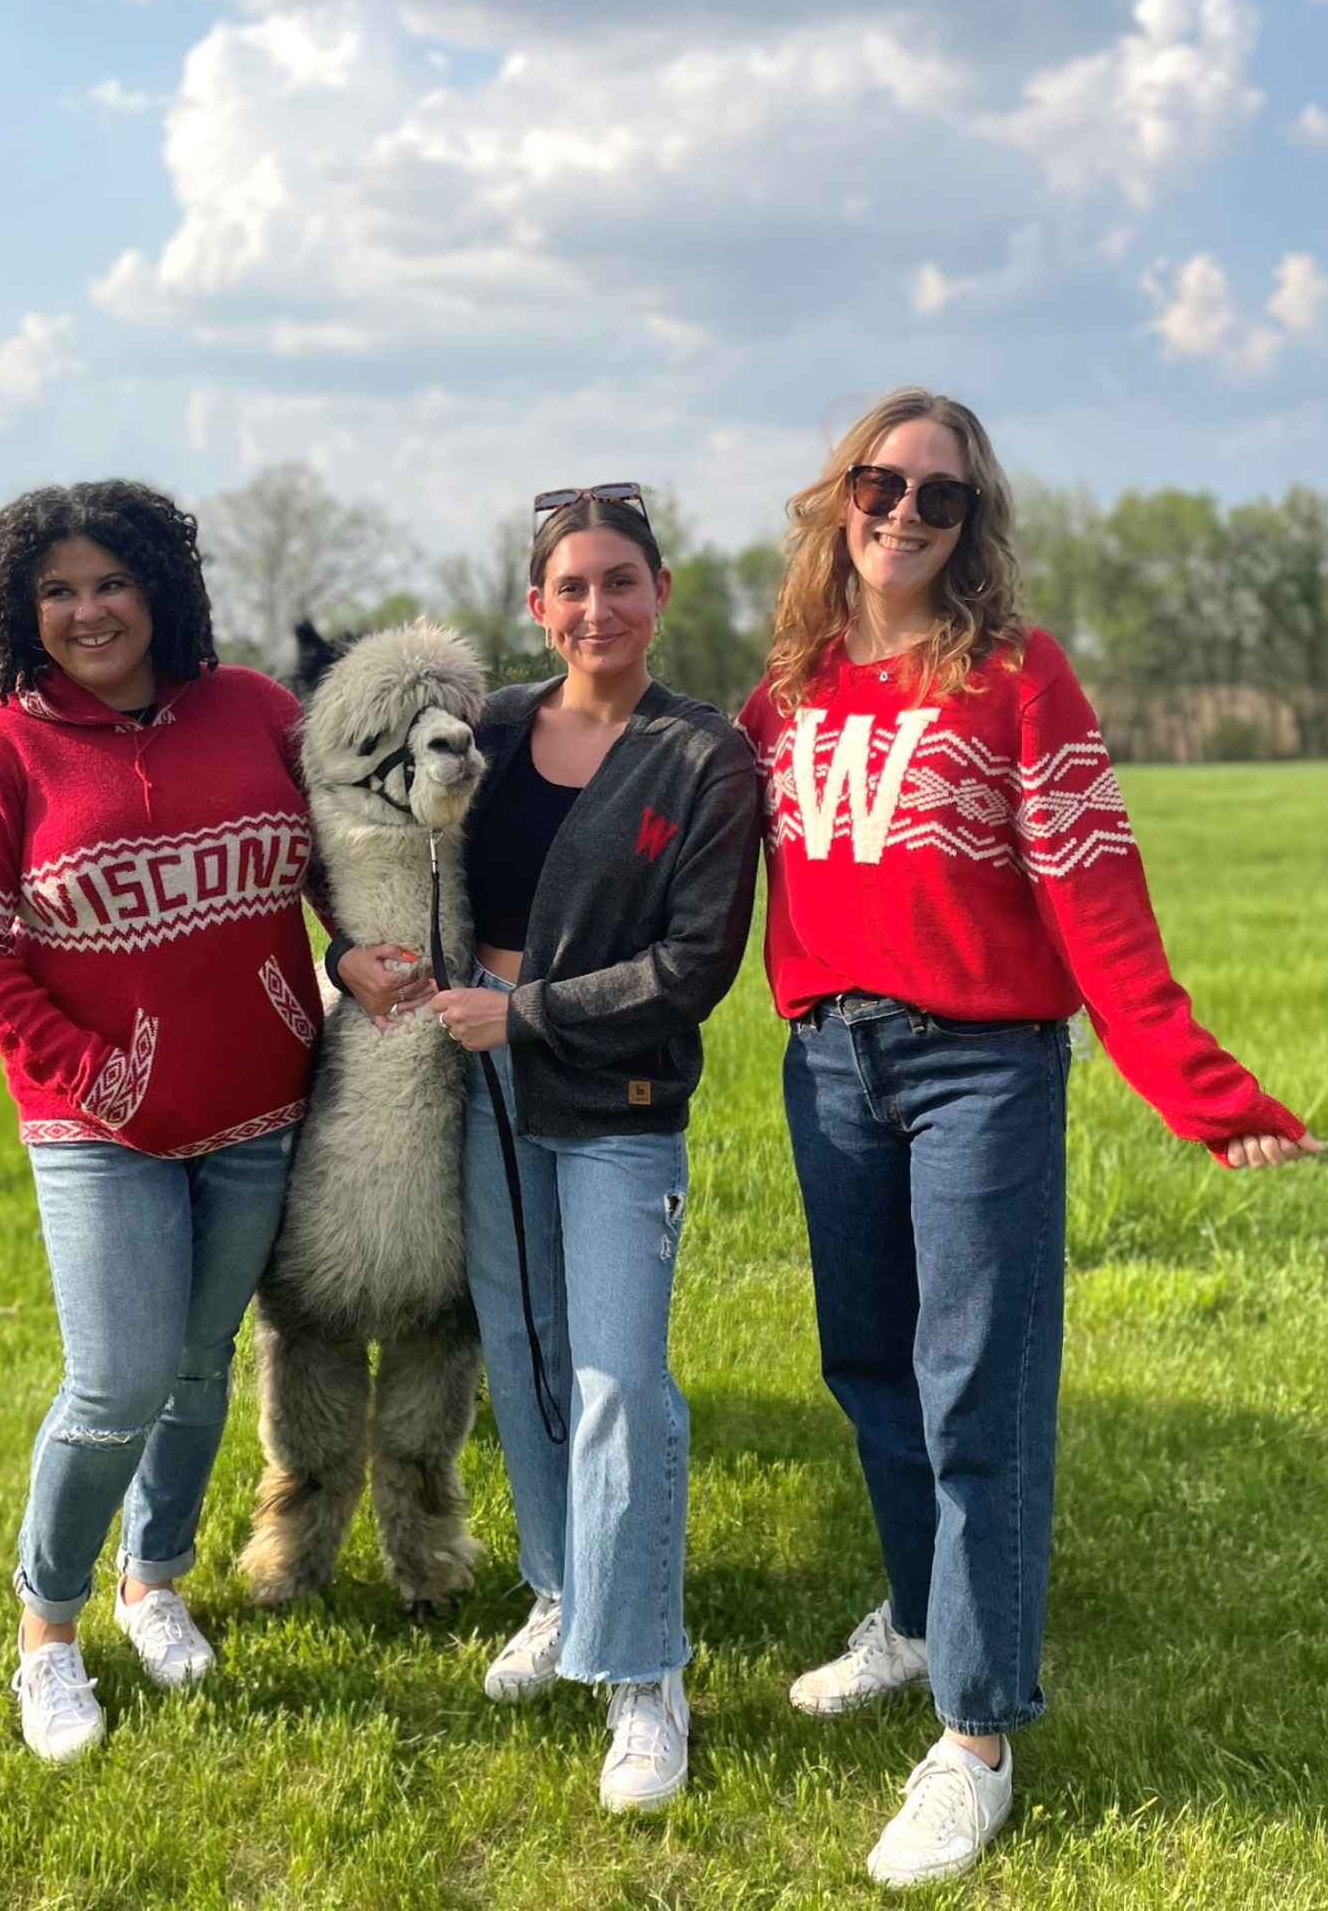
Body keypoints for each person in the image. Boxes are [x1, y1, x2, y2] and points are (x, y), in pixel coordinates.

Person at [736, 389, 1321, 1886]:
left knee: (972, 1388)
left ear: (970, 526)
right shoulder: (782, 692)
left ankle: (976, 1734)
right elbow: (654, 860)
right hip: (827, 1063)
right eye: (881, 483)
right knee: (865, 1361)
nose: (904, 514)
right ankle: (921, 1616)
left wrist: (1203, 1092)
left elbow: (1095, 896)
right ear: (836, 497)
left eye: (940, 499)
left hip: (975, 1069)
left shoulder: (1013, 676)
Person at [339, 484, 758, 1812]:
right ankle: (564, 1585)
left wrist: (520, 1011)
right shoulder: (496, 728)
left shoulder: (702, 759)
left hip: (615, 1103)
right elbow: (348, 809)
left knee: (619, 1371)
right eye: (570, 586)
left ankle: (642, 1674)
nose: (596, 606)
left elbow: (694, 966)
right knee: (518, 1351)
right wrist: (350, 950)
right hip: (482, 1093)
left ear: (660, 592)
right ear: (536, 605)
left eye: (619, 580)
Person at [0, 480, 325, 1762]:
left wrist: (351, 959)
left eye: (110, 581)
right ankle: (48, 1624)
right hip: (97, 1126)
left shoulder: (254, 708)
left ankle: (155, 1581)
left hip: (261, 1104)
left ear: (158, 586)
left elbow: (340, 855)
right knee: (116, 1381)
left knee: (201, 1370)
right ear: (20, 611)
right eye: (58, 590)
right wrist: (93, 1073)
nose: (88, 610)